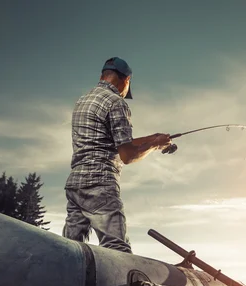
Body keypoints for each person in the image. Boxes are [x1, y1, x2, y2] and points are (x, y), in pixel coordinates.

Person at [62, 57, 175, 253]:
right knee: (116, 250)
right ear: (126, 80)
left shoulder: (83, 101)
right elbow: (127, 155)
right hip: (100, 183)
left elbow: (111, 141)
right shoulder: (116, 102)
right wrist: (153, 145)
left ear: (103, 76)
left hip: (75, 184)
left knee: (69, 250)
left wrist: (153, 139)